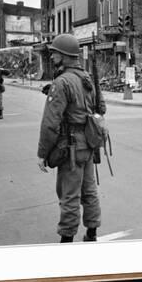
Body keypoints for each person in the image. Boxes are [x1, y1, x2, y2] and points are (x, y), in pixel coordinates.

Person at [37, 34, 106, 243]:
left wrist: (42, 154)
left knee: (69, 195)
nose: (52, 56)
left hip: (71, 147)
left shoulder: (61, 82)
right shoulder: (87, 78)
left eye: (55, 53)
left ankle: (66, 241)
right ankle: (92, 233)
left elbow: (50, 123)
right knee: (89, 191)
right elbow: (101, 109)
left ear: (65, 55)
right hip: (89, 145)